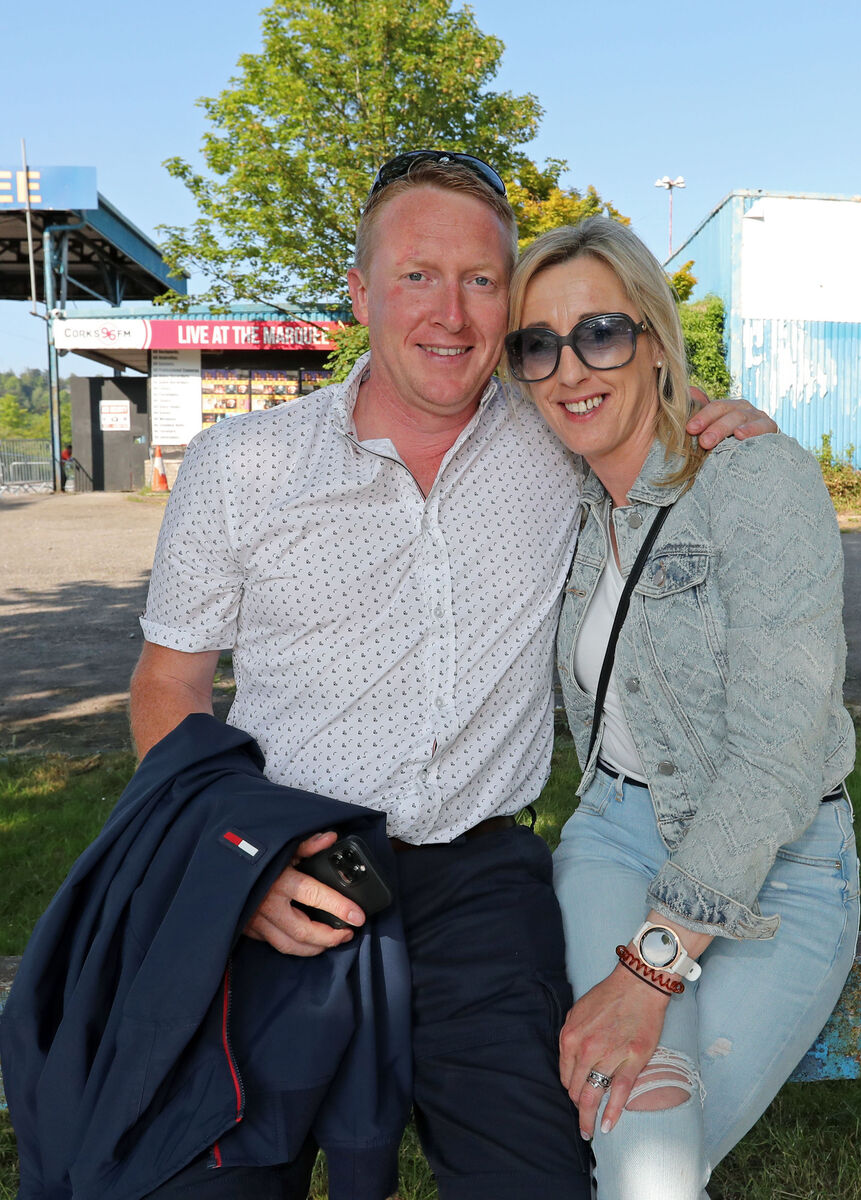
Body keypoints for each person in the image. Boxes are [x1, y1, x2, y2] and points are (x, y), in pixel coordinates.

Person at [129, 152, 774, 1199]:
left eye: (481, 280)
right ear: (360, 292)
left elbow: (656, 425)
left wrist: (730, 427)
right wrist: (231, 865)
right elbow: (169, 685)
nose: (452, 312)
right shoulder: (240, 466)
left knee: (536, 1178)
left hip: (480, 884)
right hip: (293, 865)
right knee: (209, 1176)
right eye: (417, 274)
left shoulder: (554, 433)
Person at [503, 214, 859, 1199]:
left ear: (654, 341)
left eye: (601, 333)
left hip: (777, 869)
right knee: (631, 1154)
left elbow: (777, 761)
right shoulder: (563, 497)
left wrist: (645, 975)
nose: (571, 368)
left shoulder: (755, 480)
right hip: (616, 840)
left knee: (643, 1174)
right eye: (539, 344)